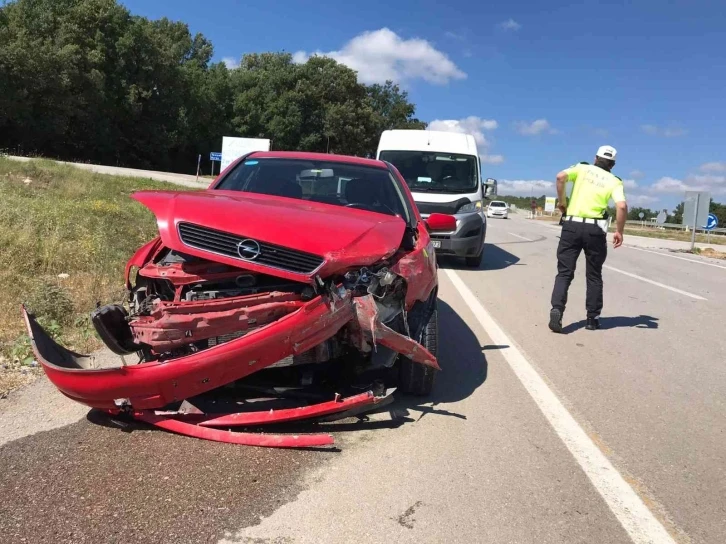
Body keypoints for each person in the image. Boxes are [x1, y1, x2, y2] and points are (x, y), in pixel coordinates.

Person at [548, 145, 628, 333]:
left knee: (564, 272)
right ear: (613, 164)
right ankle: (592, 319)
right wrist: (619, 231)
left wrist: (562, 202)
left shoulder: (582, 169)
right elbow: (622, 206)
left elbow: (560, 177)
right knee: (594, 275)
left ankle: (557, 309)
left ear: (595, 158)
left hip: (572, 226)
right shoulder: (614, 181)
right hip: (595, 230)